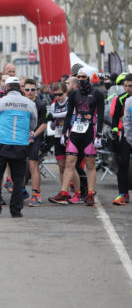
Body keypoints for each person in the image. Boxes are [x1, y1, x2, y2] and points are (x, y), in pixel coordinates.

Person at [49, 68, 105, 206]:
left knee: (90, 164)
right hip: (75, 130)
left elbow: (101, 115)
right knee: (69, 162)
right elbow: (69, 115)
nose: (80, 80)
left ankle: (90, 193)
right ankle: (64, 192)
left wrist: (99, 134)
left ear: (90, 78)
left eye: (83, 77)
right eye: (78, 77)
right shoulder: (74, 94)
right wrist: (64, 133)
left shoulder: (97, 94)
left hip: (90, 131)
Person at [0, 77, 37, 218]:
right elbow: (33, 125)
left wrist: (3, 127)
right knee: (19, 178)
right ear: (19, 88)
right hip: (20, 144)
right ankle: (16, 210)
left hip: (2, 143)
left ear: (6, 88)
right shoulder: (29, 103)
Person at [47, 82, 82, 203]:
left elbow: (68, 113)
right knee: (61, 166)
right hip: (58, 136)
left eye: (60, 94)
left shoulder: (69, 102)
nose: (58, 97)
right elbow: (52, 125)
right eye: (55, 95)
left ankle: (77, 193)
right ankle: (65, 192)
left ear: (65, 92)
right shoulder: (53, 105)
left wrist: (54, 115)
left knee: (71, 166)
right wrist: (52, 121)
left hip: (69, 136)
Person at [23, 78, 47, 206]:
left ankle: (36, 194)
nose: (30, 92)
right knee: (20, 165)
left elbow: (44, 124)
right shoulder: (20, 102)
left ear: (36, 91)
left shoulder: (40, 104)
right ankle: (20, 192)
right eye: (27, 89)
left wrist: (33, 134)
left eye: (33, 90)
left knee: (33, 165)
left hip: (35, 138)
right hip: (21, 138)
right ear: (23, 90)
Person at [111, 73, 132, 205]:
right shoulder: (121, 98)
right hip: (126, 133)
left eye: (130, 86)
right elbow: (115, 117)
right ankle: (123, 194)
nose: (128, 89)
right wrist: (114, 132)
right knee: (123, 162)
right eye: (126, 86)